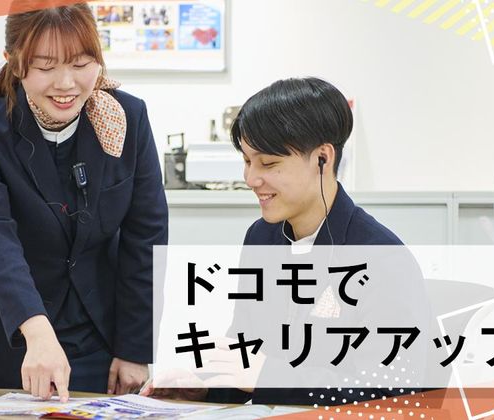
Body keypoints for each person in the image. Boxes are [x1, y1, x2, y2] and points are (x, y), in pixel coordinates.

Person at [0, 3, 168, 402]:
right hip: (10, 332)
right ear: (14, 62)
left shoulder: (127, 118)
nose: (66, 84)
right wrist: (36, 331)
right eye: (45, 67)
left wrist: (135, 347)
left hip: (99, 330)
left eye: (81, 63)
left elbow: (146, 235)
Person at [142, 77, 427, 405]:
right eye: (247, 161)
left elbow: (389, 393)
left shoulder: (382, 258)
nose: (251, 179)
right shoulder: (262, 237)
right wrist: (203, 386)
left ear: (322, 159)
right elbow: (248, 353)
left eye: (268, 163)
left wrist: (268, 376)